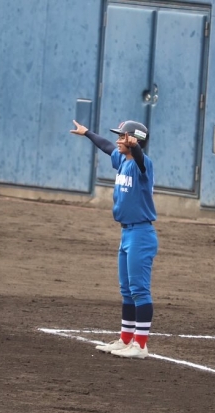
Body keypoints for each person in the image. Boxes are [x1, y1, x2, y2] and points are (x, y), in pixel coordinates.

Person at [70, 119, 158, 359]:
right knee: (127, 291)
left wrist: (136, 146)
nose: (118, 140)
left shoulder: (142, 164)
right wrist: (87, 133)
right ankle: (126, 340)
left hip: (141, 234)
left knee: (139, 290)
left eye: (123, 137)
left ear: (134, 140)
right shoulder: (122, 160)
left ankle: (140, 345)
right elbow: (107, 146)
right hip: (127, 233)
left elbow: (139, 156)